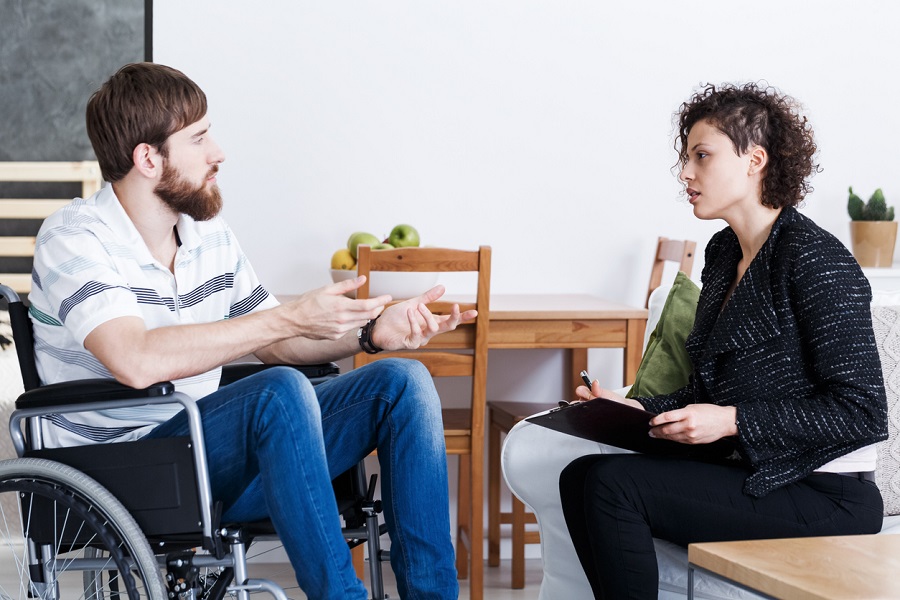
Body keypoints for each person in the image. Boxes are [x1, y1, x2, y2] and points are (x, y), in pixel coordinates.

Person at [28, 62, 469, 600]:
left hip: (206, 453)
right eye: (199, 138)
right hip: (124, 467)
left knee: (402, 381)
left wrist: (373, 334)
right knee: (276, 394)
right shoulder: (74, 237)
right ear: (148, 158)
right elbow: (134, 359)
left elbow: (277, 341)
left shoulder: (207, 234)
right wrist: (283, 316)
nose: (218, 152)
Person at [559, 82, 889, 599]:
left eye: (702, 156)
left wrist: (731, 420)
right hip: (758, 470)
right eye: (686, 158)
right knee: (580, 475)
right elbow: (707, 391)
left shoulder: (815, 258)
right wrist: (631, 407)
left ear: (755, 160)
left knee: (611, 485)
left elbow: (863, 412)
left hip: (827, 493)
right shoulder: (722, 254)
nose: (686, 173)